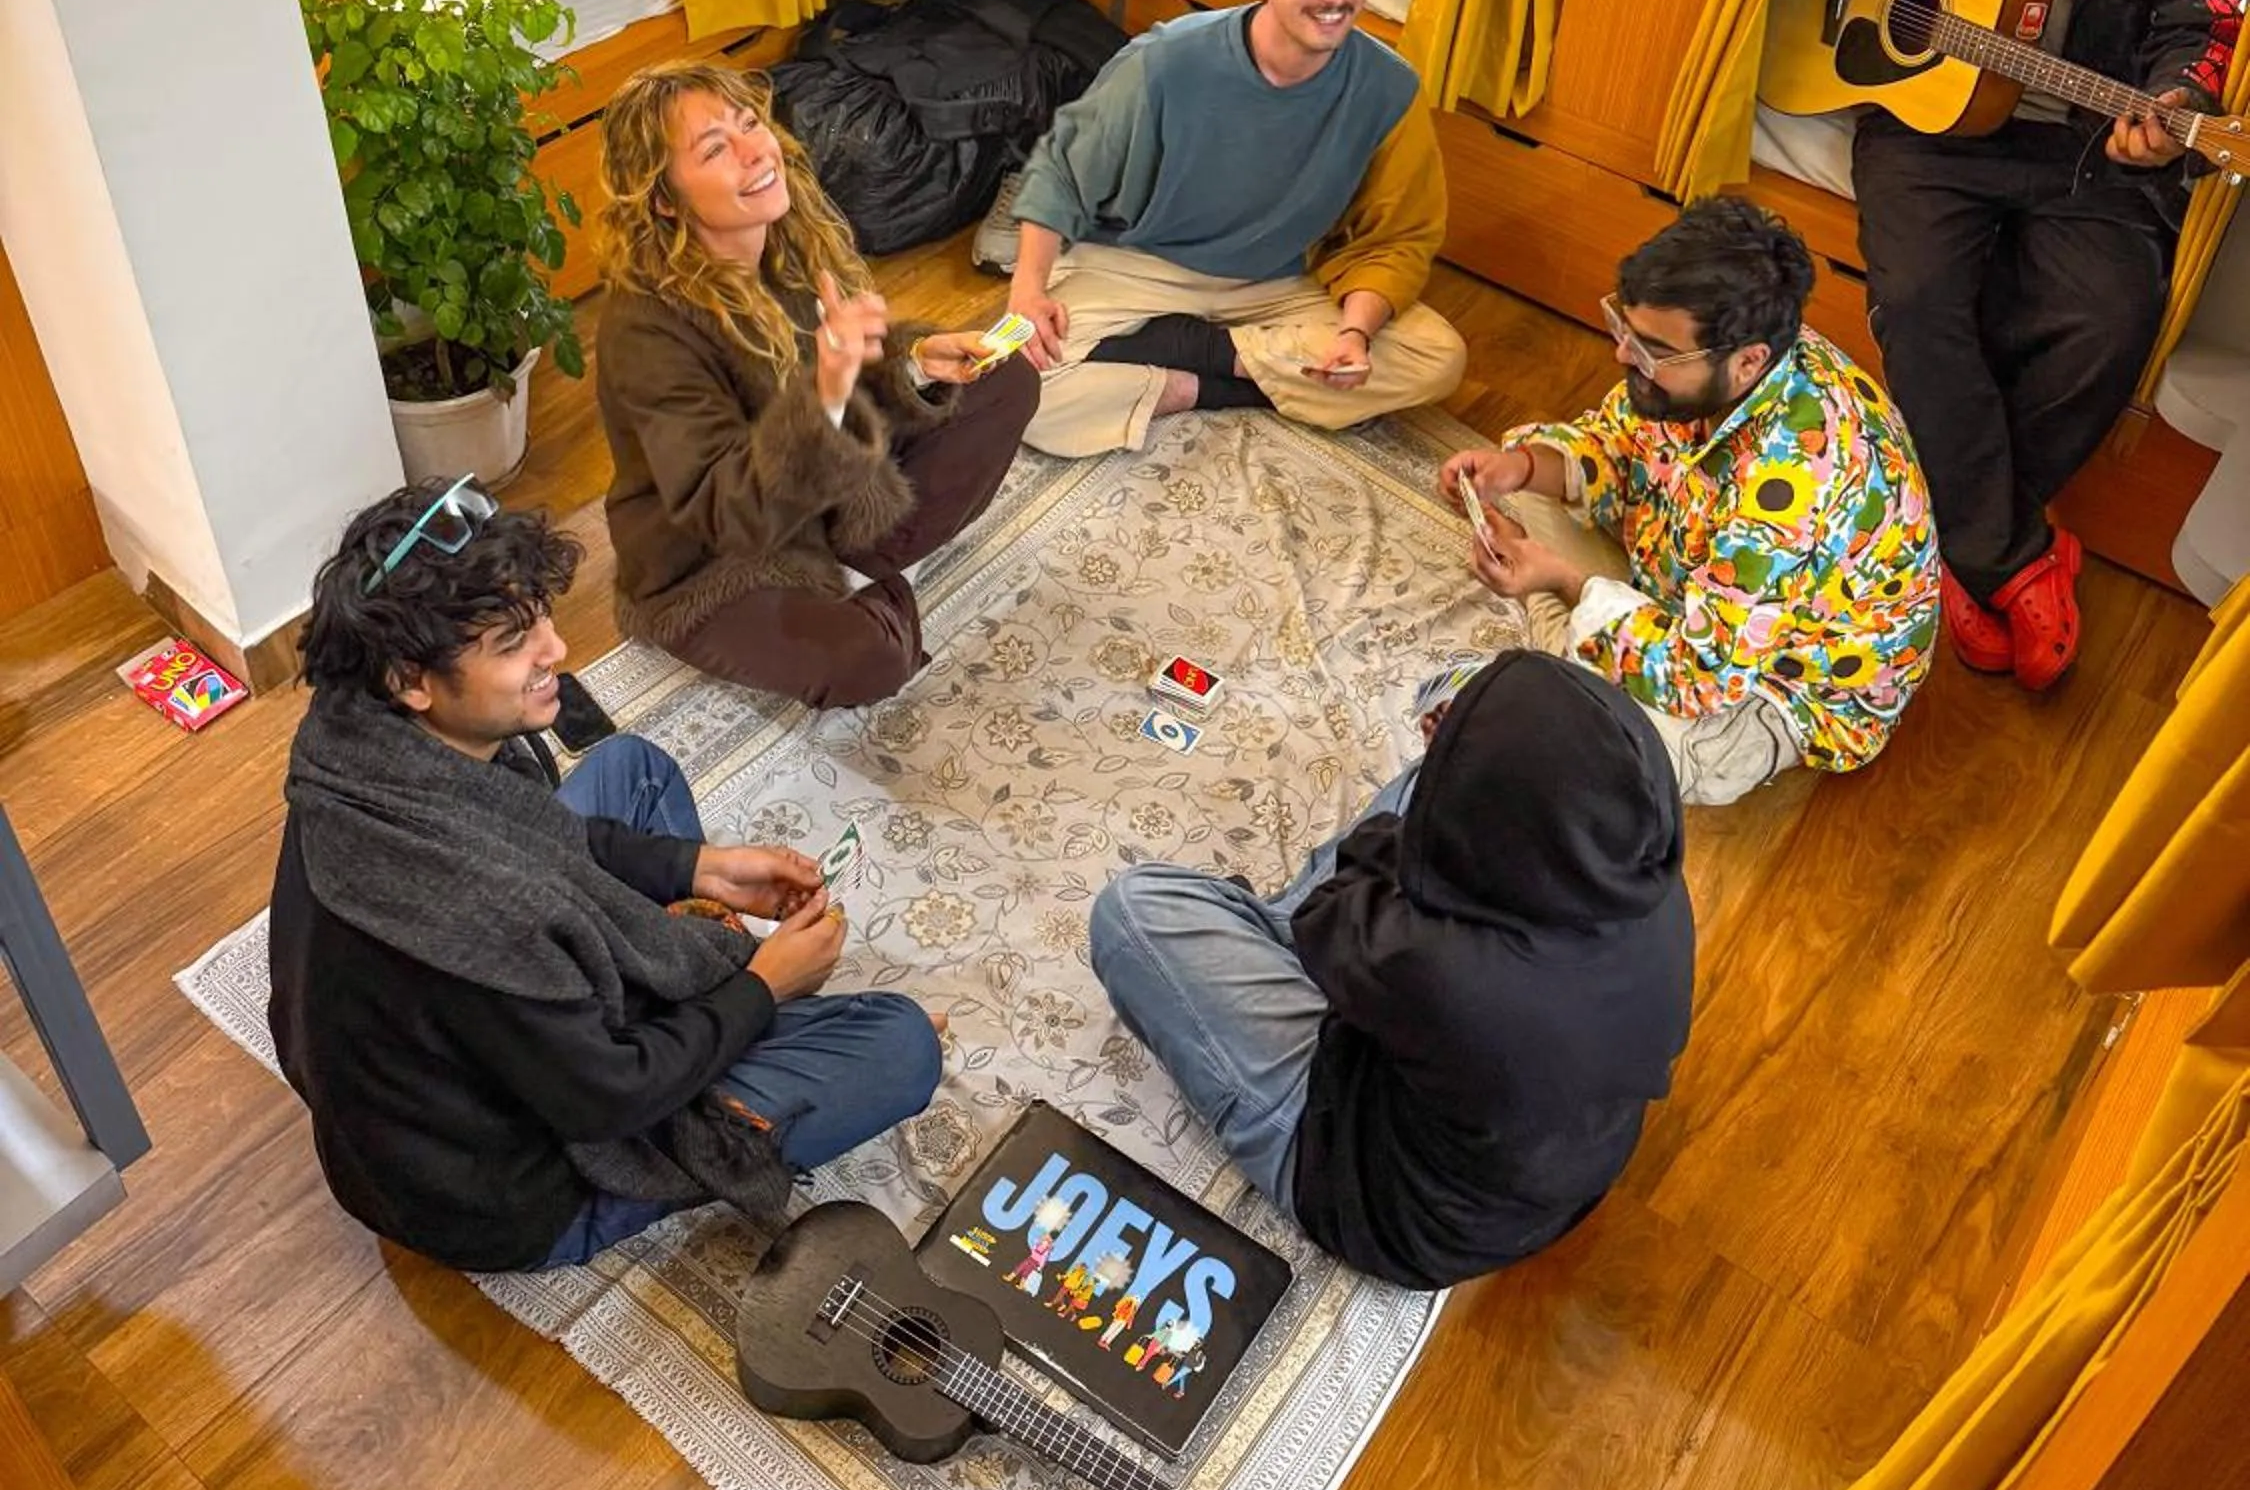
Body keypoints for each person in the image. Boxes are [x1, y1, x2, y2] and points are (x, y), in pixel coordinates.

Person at [268, 480, 943, 1275]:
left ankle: (711, 986)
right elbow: (609, 1098)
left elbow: (535, 837)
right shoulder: (474, 912)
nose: (555, 649)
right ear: (411, 679)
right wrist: (764, 988)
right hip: (513, 1196)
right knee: (896, 1045)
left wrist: (700, 868)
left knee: (633, 769)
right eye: (514, 642)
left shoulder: (359, 747)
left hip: (462, 1073)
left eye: (541, 618)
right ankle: (750, 1025)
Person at [1798, 0, 2248, 689]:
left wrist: (2176, 103)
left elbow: (2204, 28)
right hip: (1930, 120)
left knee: (2108, 321)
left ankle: (1957, 545)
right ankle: (2010, 553)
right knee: (1915, 297)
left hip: (2088, 148)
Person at [1088, 652, 1693, 1291]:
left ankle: (1249, 942)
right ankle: (1261, 945)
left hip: (1379, 1192)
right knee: (1442, 779)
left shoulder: (1450, 976)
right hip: (1524, 1142)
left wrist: (1432, 799)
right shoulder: (1654, 885)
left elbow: (1339, 898)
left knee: (1133, 915)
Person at [1442, 198, 1938, 805]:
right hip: (1694, 581)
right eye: (1623, 327)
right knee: (1529, 487)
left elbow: (1698, 680)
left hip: (1774, 683)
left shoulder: (1789, 490)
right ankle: (1579, 640)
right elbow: (1618, 442)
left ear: (1748, 361)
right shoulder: (1723, 357)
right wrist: (1517, 468)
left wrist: (1563, 580)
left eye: (1648, 347)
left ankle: (1570, 635)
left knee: (1624, 761)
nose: (1624, 355)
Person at [594, 62, 1038, 708]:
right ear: (663, 198)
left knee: (1007, 381)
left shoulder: (792, 237)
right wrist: (826, 394)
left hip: (821, 499)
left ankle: (859, 574)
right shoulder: (645, 330)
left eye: (750, 124)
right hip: (711, 562)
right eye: (716, 149)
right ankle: (863, 592)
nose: (756, 151)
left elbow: (855, 363)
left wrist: (916, 362)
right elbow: (727, 514)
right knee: (870, 662)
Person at [1003, 0, 1467, 454]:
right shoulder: (1167, 60)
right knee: (1012, 389)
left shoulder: (1390, 90)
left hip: (1280, 281)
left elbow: (1399, 239)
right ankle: (1221, 369)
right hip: (1142, 265)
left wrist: (1354, 333)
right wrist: (1027, 290)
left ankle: (1193, 368)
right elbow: (1061, 173)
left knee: (1437, 357)